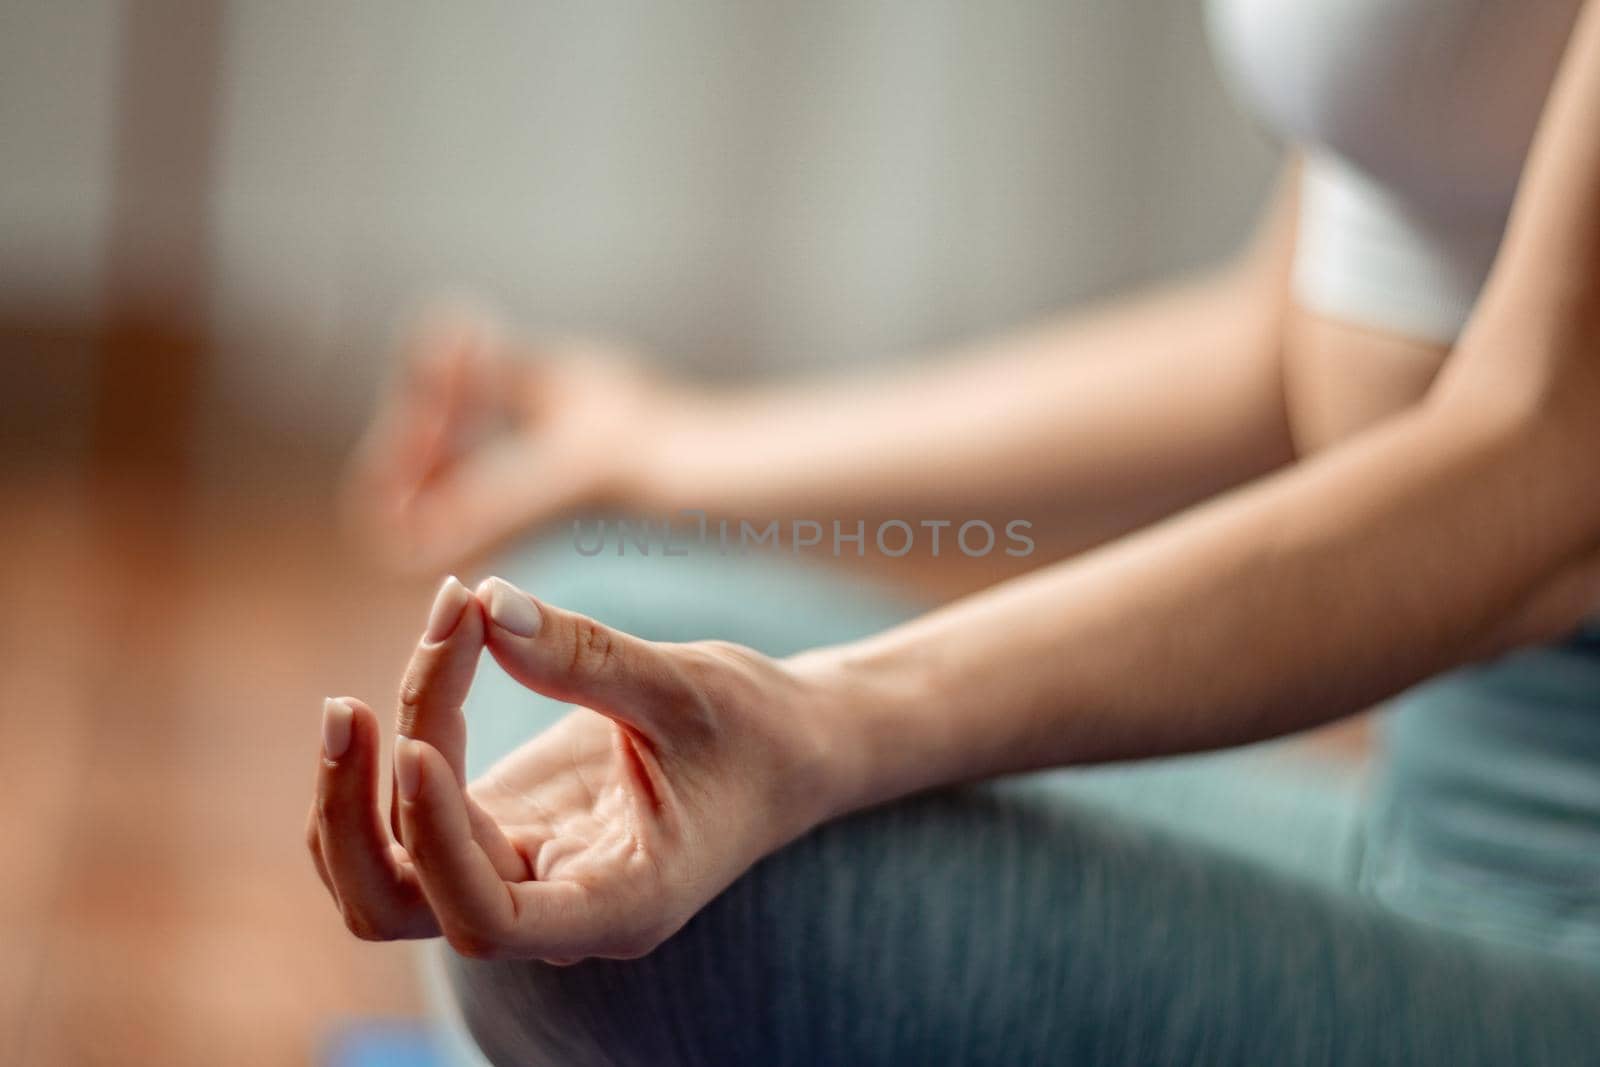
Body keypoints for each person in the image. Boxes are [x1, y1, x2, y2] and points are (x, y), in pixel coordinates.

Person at [307, 1, 1600, 1063]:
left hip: (1566, 925)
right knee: (592, 699)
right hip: (1418, 822)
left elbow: (1532, 483)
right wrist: (663, 446)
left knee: (638, 942)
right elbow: (1288, 338)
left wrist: (823, 726)